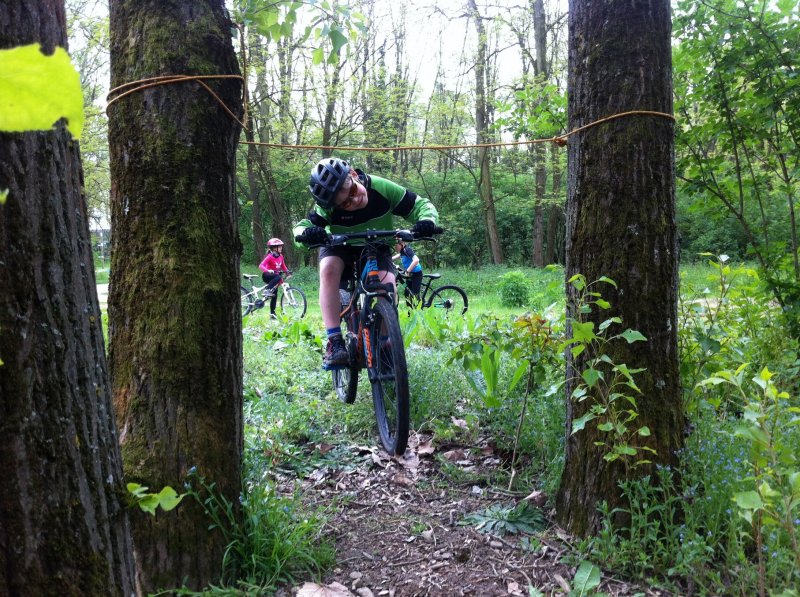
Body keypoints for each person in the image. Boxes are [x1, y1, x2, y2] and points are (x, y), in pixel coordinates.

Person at [295, 157, 439, 369]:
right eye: (344, 203)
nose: (354, 201)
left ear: (353, 175)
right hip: (338, 244)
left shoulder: (381, 188)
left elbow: (420, 205)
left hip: (376, 243)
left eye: (352, 191)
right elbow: (301, 227)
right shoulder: (326, 206)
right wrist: (308, 234)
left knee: (387, 285)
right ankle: (335, 342)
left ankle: (385, 344)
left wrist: (427, 221)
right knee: (328, 270)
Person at [259, 237, 289, 318]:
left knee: (274, 295)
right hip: (267, 275)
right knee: (278, 277)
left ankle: (272, 314)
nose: (281, 248)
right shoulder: (270, 256)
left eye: (281, 246)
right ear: (274, 248)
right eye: (279, 247)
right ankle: (266, 290)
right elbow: (261, 266)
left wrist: (287, 272)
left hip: (275, 277)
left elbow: (283, 266)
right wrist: (268, 270)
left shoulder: (281, 256)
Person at [392, 237, 423, 307]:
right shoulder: (402, 252)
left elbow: (416, 260)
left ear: (401, 244)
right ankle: (410, 312)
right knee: (407, 292)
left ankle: (419, 310)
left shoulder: (407, 250)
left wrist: (408, 270)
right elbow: (395, 257)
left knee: (414, 295)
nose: (395, 247)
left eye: (396, 245)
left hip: (416, 274)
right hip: (410, 275)